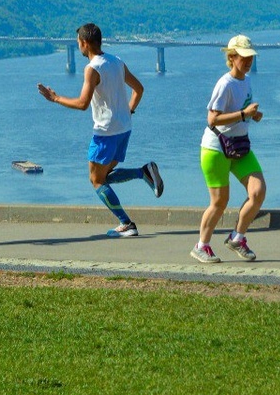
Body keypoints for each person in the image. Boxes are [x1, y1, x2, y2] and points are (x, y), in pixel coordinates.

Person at [37, 23, 163, 237]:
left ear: (85, 43)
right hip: (124, 129)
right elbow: (139, 89)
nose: (79, 47)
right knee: (103, 177)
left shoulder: (92, 68)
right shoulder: (117, 61)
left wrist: (56, 98)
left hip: (105, 133)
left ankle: (127, 224)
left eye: (79, 43)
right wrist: (129, 111)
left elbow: (82, 104)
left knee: (96, 180)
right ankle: (144, 172)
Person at [191, 35, 266, 264]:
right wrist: (244, 114)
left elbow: (241, 110)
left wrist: (252, 115)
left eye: (250, 57)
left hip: (239, 146)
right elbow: (213, 119)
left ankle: (237, 238)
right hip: (216, 148)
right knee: (220, 201)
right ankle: (201, 246)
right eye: (243, 57)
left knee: (258, 191)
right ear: (231, 57)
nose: (248, 61)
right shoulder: (225, 83)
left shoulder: (246, 80)